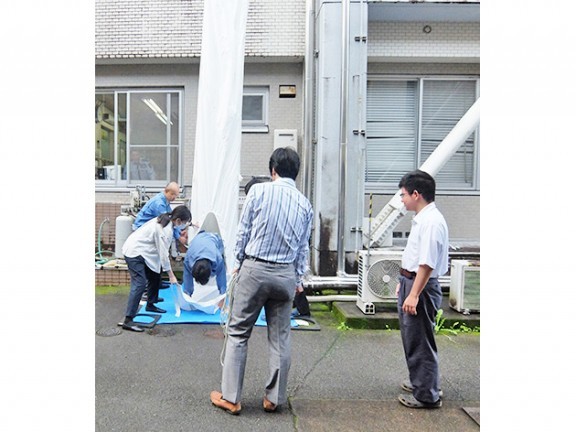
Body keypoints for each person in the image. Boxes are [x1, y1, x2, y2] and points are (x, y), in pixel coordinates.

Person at [210, 147, 313, 415]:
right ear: (296, 173)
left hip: (255, 269)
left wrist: (237, 264)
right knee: (280, 338)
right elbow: (303, 248)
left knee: (238, 332)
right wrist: (298, 279)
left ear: (273, 170)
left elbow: (243, 232)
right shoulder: (305, 204)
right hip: (285, 274)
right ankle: (273, 398)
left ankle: (231, 398)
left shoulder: (258, 192)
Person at [395, 169, 449, 409]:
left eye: (404, 195)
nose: (402, 199)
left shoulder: (431, 223)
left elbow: (426, 264)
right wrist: (404, 281)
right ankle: (422, 382)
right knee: (413, 338)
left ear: (416, 194)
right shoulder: (424, 219)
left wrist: (414, 293)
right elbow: (416, 258)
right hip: (413, 282)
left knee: (421, 341)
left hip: (421, 287)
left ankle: (427, 394)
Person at [244, 176, 312, 321]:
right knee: (294, 283)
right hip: (289, 249)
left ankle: (303, 310)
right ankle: (301, 309)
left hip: (286, 250)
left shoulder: (265, 196)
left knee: (296, 284)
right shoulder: (280, 196)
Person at [121, 205, 192, 332]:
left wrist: (192, 224)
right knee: (140, 284)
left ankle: (150, 304)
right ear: (178, 221)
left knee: (155, 274)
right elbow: (163, 254)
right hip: (134, 251)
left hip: (145, 251)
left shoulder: (168, 219)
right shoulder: (164, 230)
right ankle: (128, 319)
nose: (184, 226)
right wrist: (171, 275)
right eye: (184, 223)